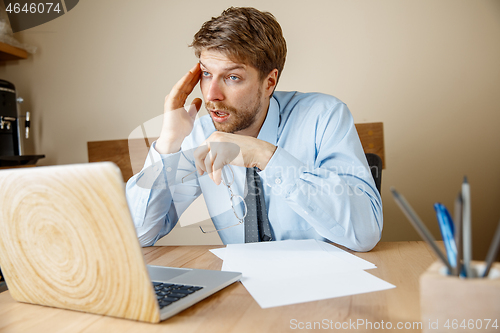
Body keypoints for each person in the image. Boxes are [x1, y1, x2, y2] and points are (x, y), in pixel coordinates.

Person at [126, 7, 382, 251]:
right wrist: (169, 142)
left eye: (232, 77)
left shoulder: (323, 117)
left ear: (269, 82)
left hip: (326, 283)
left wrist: (264, 156)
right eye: (206, 74)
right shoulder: (197, 133)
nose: (212, 95)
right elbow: (139, 234)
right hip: (243, 287)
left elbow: (365, 233)